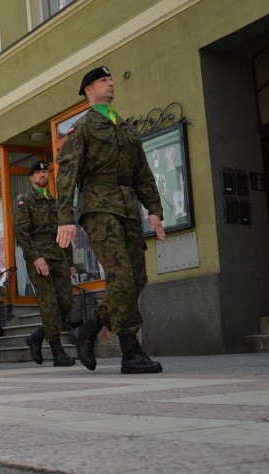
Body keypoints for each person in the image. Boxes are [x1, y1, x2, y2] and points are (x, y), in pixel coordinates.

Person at [55, 65, 166, 374]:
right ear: (89, 90)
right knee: (121, 275)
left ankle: (91, 326)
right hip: (98, 207)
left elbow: (142, 174)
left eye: (111, 79)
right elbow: (66, 175)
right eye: (104, 80)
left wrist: (154, 210)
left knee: (137, 279)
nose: (111, 83)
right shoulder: (84, 128)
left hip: (128, 208)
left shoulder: (125, 128)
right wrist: (65, 218)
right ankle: (130, 351)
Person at [14, 160, 76, 367]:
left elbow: (64, 232)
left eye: (45, 172)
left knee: (66, 301)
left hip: (58, 254)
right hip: (39, 256)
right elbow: (21, 232)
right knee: (49, 303)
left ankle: (37, 336)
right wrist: (35, 257)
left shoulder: (55, 201)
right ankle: (57, 350)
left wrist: (70, 261)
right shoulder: (25, 200)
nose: (42, 175)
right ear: (31, 178)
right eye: (38, 173)